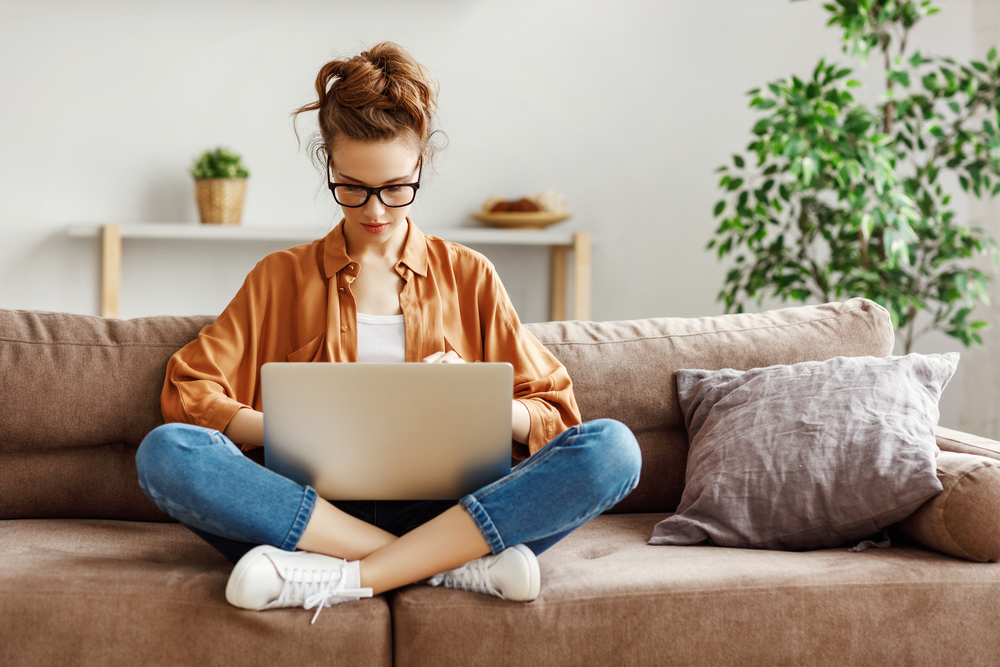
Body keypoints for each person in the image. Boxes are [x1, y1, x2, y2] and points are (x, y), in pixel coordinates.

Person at [135, 41, 641, 624]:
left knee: (613, 450)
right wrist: (287, 431)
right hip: (308, 508)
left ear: (421, 165)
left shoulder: (469, 275)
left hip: (448, 508)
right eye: (352, 188)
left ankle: (348, 575)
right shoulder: (280, 277)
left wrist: (485, 407)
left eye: (397, 188)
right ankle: (454, 568)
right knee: (168, 454)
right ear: (329, 165)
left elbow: (557, 412)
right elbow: (190, 390)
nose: (375, 211)